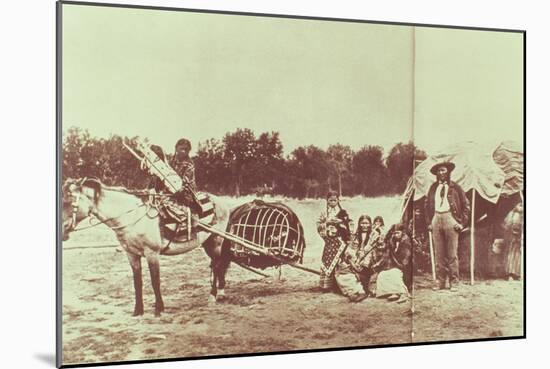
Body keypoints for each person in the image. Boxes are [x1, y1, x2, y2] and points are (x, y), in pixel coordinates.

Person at [425, 161, 470, 292]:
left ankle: (454, 281)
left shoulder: (455, 187)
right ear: (436, 174)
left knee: (452, 253)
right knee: (439, 253)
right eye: (439, 171)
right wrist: (429, 221)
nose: (441, 173)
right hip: (436, 218)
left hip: (451, 218)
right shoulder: (433, 188)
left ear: (448, 172)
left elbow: (466, 205)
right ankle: (440, 281)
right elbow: (426, 204)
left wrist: (461, 223)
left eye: (444, 170)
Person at [170, 138, 201, 213]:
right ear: (176, 148)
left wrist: (177, 190)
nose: (183, 151)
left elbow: (186, 182)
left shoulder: (189, 164)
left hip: (185, 191)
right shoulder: (170, 161)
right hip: (169, 189)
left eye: (186, 149)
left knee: (183, 212)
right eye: (181, 149)